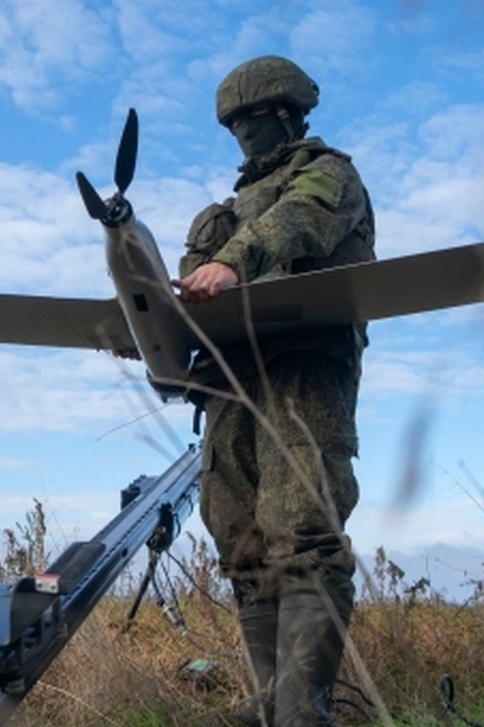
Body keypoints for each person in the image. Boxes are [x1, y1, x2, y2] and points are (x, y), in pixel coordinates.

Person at [172, 55, 375, 727]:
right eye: (232, 123)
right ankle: (271, 708)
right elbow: (188, 291)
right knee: (239, 536)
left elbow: (303, 220)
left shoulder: (328, 176)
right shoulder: (220, 215)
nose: (243, 132)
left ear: (286, 112)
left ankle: (302, 713)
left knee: (302, 530)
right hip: (230, 376)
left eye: (252, 118)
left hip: (304, 361)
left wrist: (234, 263)